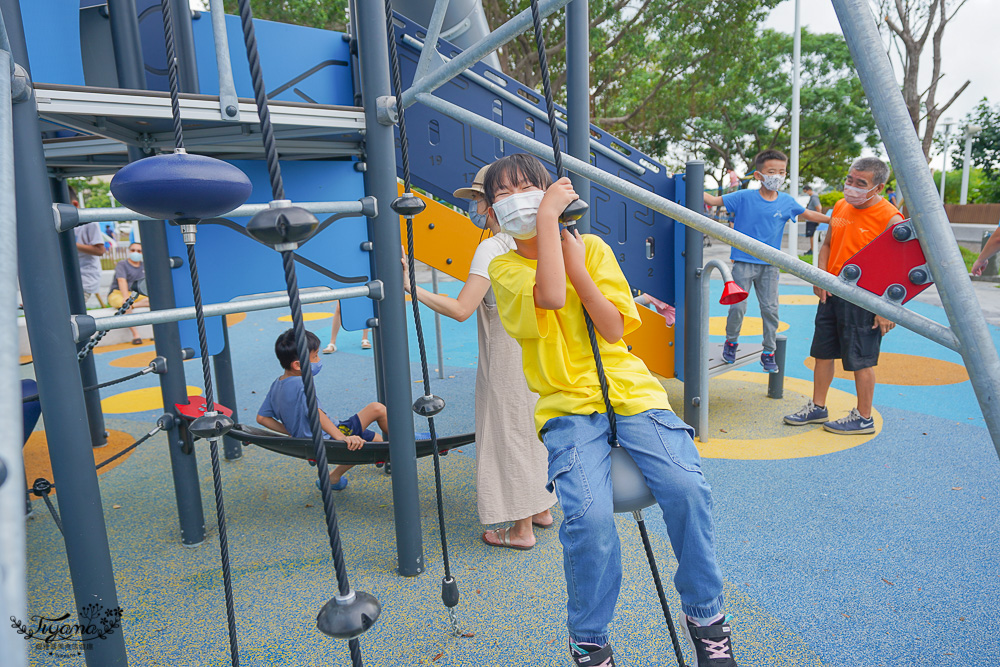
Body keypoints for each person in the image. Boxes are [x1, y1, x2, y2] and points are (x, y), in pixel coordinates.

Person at [486, 154, 738, 667]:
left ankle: (707, 618)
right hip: (567, 405)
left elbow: (615, 329)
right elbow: (551, 295)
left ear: (552, 192)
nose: (517, 200)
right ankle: (590, 639)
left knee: (688, 488)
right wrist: (554, 232)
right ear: (491, 211)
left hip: (629, 392)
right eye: (503, 193)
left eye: (527, 188)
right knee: (588, 518)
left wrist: (580, 266)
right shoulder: (503, 265)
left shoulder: (593, 249)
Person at [402, 164, 555, 550]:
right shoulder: (540, 239)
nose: (477, 209)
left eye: (481, 200)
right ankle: (542, 507)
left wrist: (411, 287)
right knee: (538, 429)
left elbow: (461, 308)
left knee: (510, 433)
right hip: (542, 348)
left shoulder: (492, 247)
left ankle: (522, 530)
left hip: (506, 354)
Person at [784, 157, 902, 435]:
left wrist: (886, 308)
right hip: (832, 291)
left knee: (861, 358)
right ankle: (818, 406)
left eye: (860, 183)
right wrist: (820, 276)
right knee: (823, 353)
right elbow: (828, 244)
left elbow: (899, 268)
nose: (851, 187)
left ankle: (864, 417)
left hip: (865, 297)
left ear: (879, 187)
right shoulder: (841, 206)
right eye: (850, 180)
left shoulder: (891, 218)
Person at [704, 149, 830, 373]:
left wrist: (836, 220)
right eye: (772, 171)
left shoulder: (786, 202)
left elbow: (810, 215)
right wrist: (688, 184)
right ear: (758, 175)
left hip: (770, 266)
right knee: (738, 307)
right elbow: (713, 200)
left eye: (782, 172)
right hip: (743, 263)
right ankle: (731, 342)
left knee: (770, 309)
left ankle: (769, 351)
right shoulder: (744, 197)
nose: (777, 176)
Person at [257, 328, 388, 491]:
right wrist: (340, 437)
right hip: (328, 439)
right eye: (315, 357)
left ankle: (333, 478)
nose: (318, 360)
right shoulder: (302, 385)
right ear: (298, 365)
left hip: (314, 438)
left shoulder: (277, 384)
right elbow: (316, 414)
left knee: (377, 439)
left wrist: (292, 432)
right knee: (377, 410)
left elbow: (262, 418)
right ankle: (407, 441)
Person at [108, 241, 149, 344]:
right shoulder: (122, 264)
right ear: (129, 251)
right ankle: (136, 335)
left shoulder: (144, 266)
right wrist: (126, 298)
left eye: (139, 251)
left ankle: (133, 306)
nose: (136, 252)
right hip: (118, 293)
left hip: (136, 295)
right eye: (133, 250)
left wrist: (132, 303)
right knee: (125, 304)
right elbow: (122, 280)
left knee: (154, 300)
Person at [71, 191, 106, 305]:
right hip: (65, 278)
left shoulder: (88, 222)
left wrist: (70, 244)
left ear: (75, 204)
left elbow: (100, 250)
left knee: (73, 309)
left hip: (85, 279)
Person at [801, 184, 823, 255]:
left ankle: (812, 250)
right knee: (811, 235)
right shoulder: (813, 197)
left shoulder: (814, 197)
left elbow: (819, 208)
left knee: (812, 235)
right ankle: (812, 249)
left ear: (809, 190)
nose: (806, 194)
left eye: (806, 192)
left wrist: (819, 219)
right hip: (812, 219)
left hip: (813, 220)